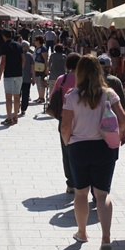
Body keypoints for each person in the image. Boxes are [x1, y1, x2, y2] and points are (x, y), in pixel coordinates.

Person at [61, 55, 125, 250]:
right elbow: (123, 120)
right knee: (102, 194)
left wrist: (68, 142)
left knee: (81, 192)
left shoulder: (72, 96)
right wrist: (121, 135)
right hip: (105, 147)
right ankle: (106, 238)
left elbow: (65, 126)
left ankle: (82, 233)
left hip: (79, 147)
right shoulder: (109, 94)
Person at [51, 52, 81, 194]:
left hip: (64, 120)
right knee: (82, 150)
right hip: (82, 119)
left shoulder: (61, 79)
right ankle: (81, 179)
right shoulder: (84, 80)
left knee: (67, 152)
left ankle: (71, 183)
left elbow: (53, 97)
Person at [0, 29, 24, 126]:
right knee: (17, 96)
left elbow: (3, 61)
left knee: (8, 97)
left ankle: (9, 118)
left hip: (8, 74)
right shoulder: (19, 45)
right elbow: (23, 59)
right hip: (18, 74)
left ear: (4, 36)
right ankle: (15, 116)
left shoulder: (4, 46)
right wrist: (20, 69)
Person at [20, 40, 35, 116]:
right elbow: (32, 68)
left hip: (18, 77)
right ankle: (23, 109)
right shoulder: (30, 56)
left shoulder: (17, 55)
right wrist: (33, 78)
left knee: (18, 93)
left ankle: (17, 107)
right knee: (25, 94)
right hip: (27, 78)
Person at [33, 35, 49, 104]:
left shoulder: (43, 48)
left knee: (41, 82)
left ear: (38, 41)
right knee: (38, 82)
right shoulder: (37, 48)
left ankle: (42, 98)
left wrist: (46, 68)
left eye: (35, 40)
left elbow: (46, 59)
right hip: (36, 67)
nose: (34, 42)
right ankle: (39, 96)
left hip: (41, 67)